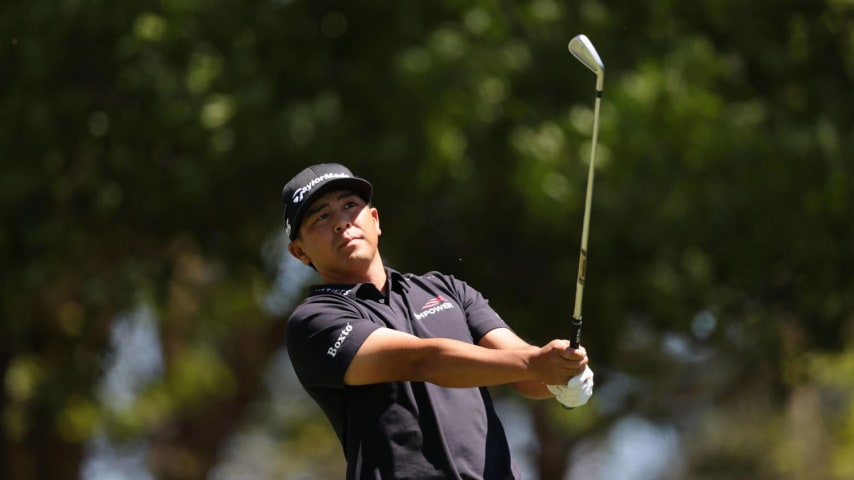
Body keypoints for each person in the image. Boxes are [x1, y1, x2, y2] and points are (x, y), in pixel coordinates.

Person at [282, 163, 594, 480]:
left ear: (375, 220)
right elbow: (422, 360)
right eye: (321, 216)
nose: (340, 222)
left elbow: (525, 373)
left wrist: (564, 377)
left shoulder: (447, 289)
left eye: (350, 205)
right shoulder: (314, 321)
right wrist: (537, 362)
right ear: (299, 251)